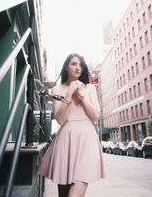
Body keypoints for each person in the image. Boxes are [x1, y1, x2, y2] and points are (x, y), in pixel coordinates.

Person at [38, 53, 105, 197]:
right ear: (66, 67)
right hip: (65, 141)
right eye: (74, 64)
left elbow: (95, 116)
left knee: (77, 188)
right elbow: (61, 119)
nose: (78, 67)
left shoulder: (90, 88)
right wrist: (68, 94)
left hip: (87, 140)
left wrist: (81, 96)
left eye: (80, 65)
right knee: (63, 193)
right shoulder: (58, 90)